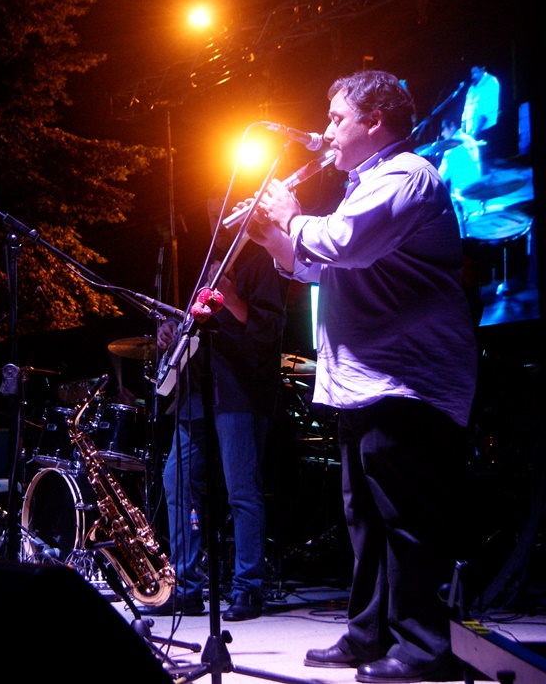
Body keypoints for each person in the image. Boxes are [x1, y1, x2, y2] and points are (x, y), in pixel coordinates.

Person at [245, 70, 478, 682]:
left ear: (374, 122)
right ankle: (369, 635)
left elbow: (344, 243)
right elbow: (323, 268)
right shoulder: (365, 186)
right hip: (365, 380)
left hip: (407, 379)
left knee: (406, 517)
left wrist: (291, 218)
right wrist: (272, 239)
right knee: (366, 519)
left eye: (336, 119)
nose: (325, 131)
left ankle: (425, 649)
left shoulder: (406, 175)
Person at [142, 234, 288, 621]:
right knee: (176, 480)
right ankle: (186, 588)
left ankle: (248, 588)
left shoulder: (261, 261)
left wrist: (232, 298)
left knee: (241, 490)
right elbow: (196, 321)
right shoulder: (210, 261)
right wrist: (172, 328)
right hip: (196, 389)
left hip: (238, 392)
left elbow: (268, 331)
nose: (213, 217)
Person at [437, 117, 483, 233]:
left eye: (443, 129)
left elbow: (440, 177)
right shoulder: (469, 139)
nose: (442, 134)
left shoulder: (452, 148)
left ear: (452, 126)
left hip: (463, 196)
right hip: (477, 192)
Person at [461, 64, 501, 166]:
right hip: (471, 132)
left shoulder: (491, 82)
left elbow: (486, 112)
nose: (473, 76)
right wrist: (463, 125)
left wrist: (475, 133)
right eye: (472, 73)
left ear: (483, 69)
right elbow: (466, 107)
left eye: (475, 72)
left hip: (484, 130)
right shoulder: (472, 87)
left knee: (486, 164)